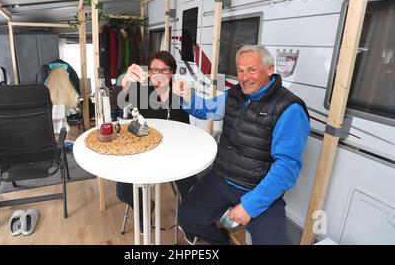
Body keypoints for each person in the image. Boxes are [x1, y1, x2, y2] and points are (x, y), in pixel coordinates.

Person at [173, 45, 310, 245]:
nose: (244, 77)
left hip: (258, 187)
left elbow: (287, 167)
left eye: (251, 70)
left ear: (270, 69)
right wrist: (187, 96)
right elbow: (206, 109)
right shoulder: (234, 95)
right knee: (187, 217)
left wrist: (249, 206)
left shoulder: (289, 108)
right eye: (240, 71)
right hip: (222, 177)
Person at [112, 50, 197, 229]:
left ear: (172, 73)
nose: (159, 74)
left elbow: (197, 107)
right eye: (154, 70)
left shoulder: (180, 90)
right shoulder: (141, 90)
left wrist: (189, 97)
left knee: (193, 191)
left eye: (165, 70)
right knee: (123, 191)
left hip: (176, 151)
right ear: (149, 73)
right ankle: (144, 207)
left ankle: (188, 222)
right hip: (144, 149)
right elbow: (114, 101)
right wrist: (125, 84)